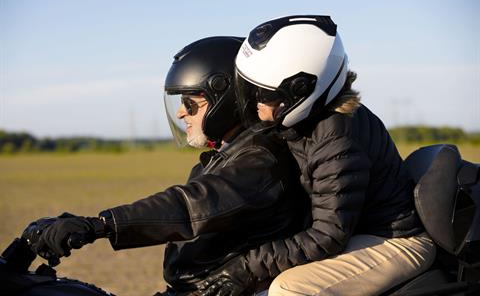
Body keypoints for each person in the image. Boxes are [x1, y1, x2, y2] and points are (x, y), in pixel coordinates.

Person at [25, 36, 309, 295]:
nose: (180, 111)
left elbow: (190, 207)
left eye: (190, 101)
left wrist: (98, 226)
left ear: (227, 99)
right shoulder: (229, 152)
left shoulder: (260, 158)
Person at [198, 16, 436, 296]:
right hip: (357, 231)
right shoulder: (300, 124)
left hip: (394, 240)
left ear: (301, 91)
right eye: (248, 88)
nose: (254, 102)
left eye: (263, 93)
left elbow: (327, 235)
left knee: (289, 289)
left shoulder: (336, 137)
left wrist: (247, 267)